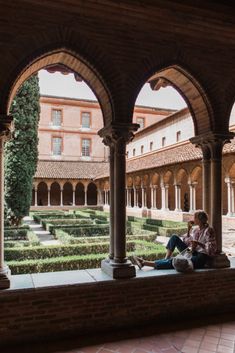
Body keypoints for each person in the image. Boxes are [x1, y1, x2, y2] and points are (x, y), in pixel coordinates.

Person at [133, 210, 217, 270]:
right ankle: (166, 259)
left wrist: (198, 243)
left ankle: (144, 263)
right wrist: (188, 230)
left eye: (194, 217)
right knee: (174, 238)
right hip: (192, 252)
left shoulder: (209, 230)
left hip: (200, 257)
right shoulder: (195, 230)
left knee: (176, 261)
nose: (193, 219)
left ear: (199, 220)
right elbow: (187, 242)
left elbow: (212, 249)